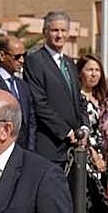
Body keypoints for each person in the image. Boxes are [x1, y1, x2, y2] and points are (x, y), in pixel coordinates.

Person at [24, 11, 88, 165]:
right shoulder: (35, 61)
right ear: (45, 32)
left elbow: (79, 99)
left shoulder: (69, 63)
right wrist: (66, 132)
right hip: (50, 147)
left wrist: (84, 128)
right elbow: (39, 103)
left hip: (74, 147)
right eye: (55, 30)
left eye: (63, 30)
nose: (59, 35)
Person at [76, 54, 108, 213]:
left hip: (107, 160)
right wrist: (94, 156)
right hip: (88, 161)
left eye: (97, 70)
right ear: (80, 72)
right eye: (89, 69)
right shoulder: (77, 98)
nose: (94, 74)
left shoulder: (104, 99)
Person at [0, 35, 35, 151]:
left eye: (24, 56)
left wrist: (30, 149)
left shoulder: (23, 86)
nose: (22, 60)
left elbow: (31, 121)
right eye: (17, 57)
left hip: (24, 151)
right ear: (2, 56)